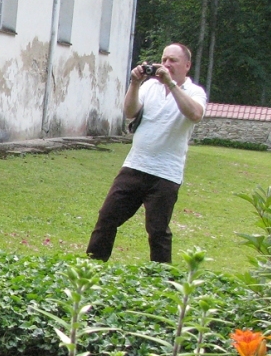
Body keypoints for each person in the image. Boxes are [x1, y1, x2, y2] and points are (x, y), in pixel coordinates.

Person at [86, 43, 207, 264]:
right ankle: (92, 266)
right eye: (164, 59)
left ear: (187, 65)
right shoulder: (149, 87)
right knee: (107, 217)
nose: (167, 64)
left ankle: (160, 280)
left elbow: (195, 114)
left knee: (158, 231)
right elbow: (130, 111)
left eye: (173, 60)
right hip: (135, 166)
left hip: (166, 173)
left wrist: (170, 83)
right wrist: (134, 83)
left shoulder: (195, 92)